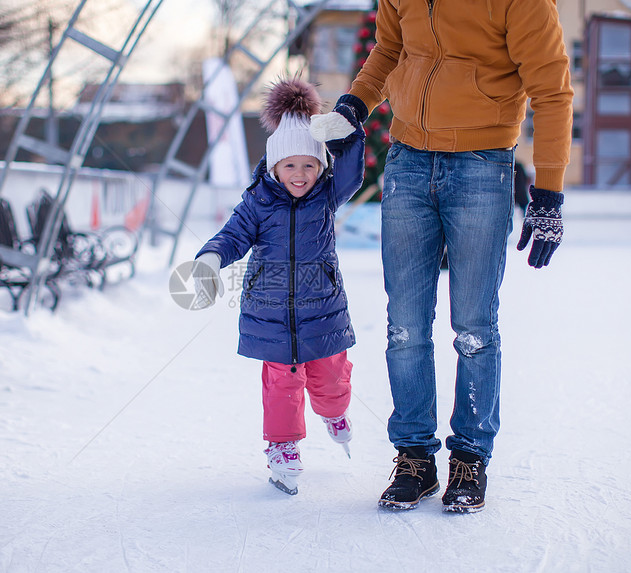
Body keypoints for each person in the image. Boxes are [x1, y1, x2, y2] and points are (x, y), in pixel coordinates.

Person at [310, 0, 573, 512]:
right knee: (404, 324)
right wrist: (355, 104)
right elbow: (389, 49)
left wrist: (549, 193)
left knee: (474, 326)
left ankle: (470, 458)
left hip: (482, 163)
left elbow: (552, 90)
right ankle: (414, 458)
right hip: (408, 160)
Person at [191, 78, 365, 495]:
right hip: (270, 313)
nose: (300, 174)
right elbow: (232, 235)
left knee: (330, 384)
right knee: (281, 384)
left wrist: (349, 136)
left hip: (322, 312)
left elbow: (353, 171)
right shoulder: (258, 201)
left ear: (320, 168)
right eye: (290, 165)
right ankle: (282, 446)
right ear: (274, 167)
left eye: (309, 165)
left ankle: (334, 413)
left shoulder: (327, 196)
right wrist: (211, 257)